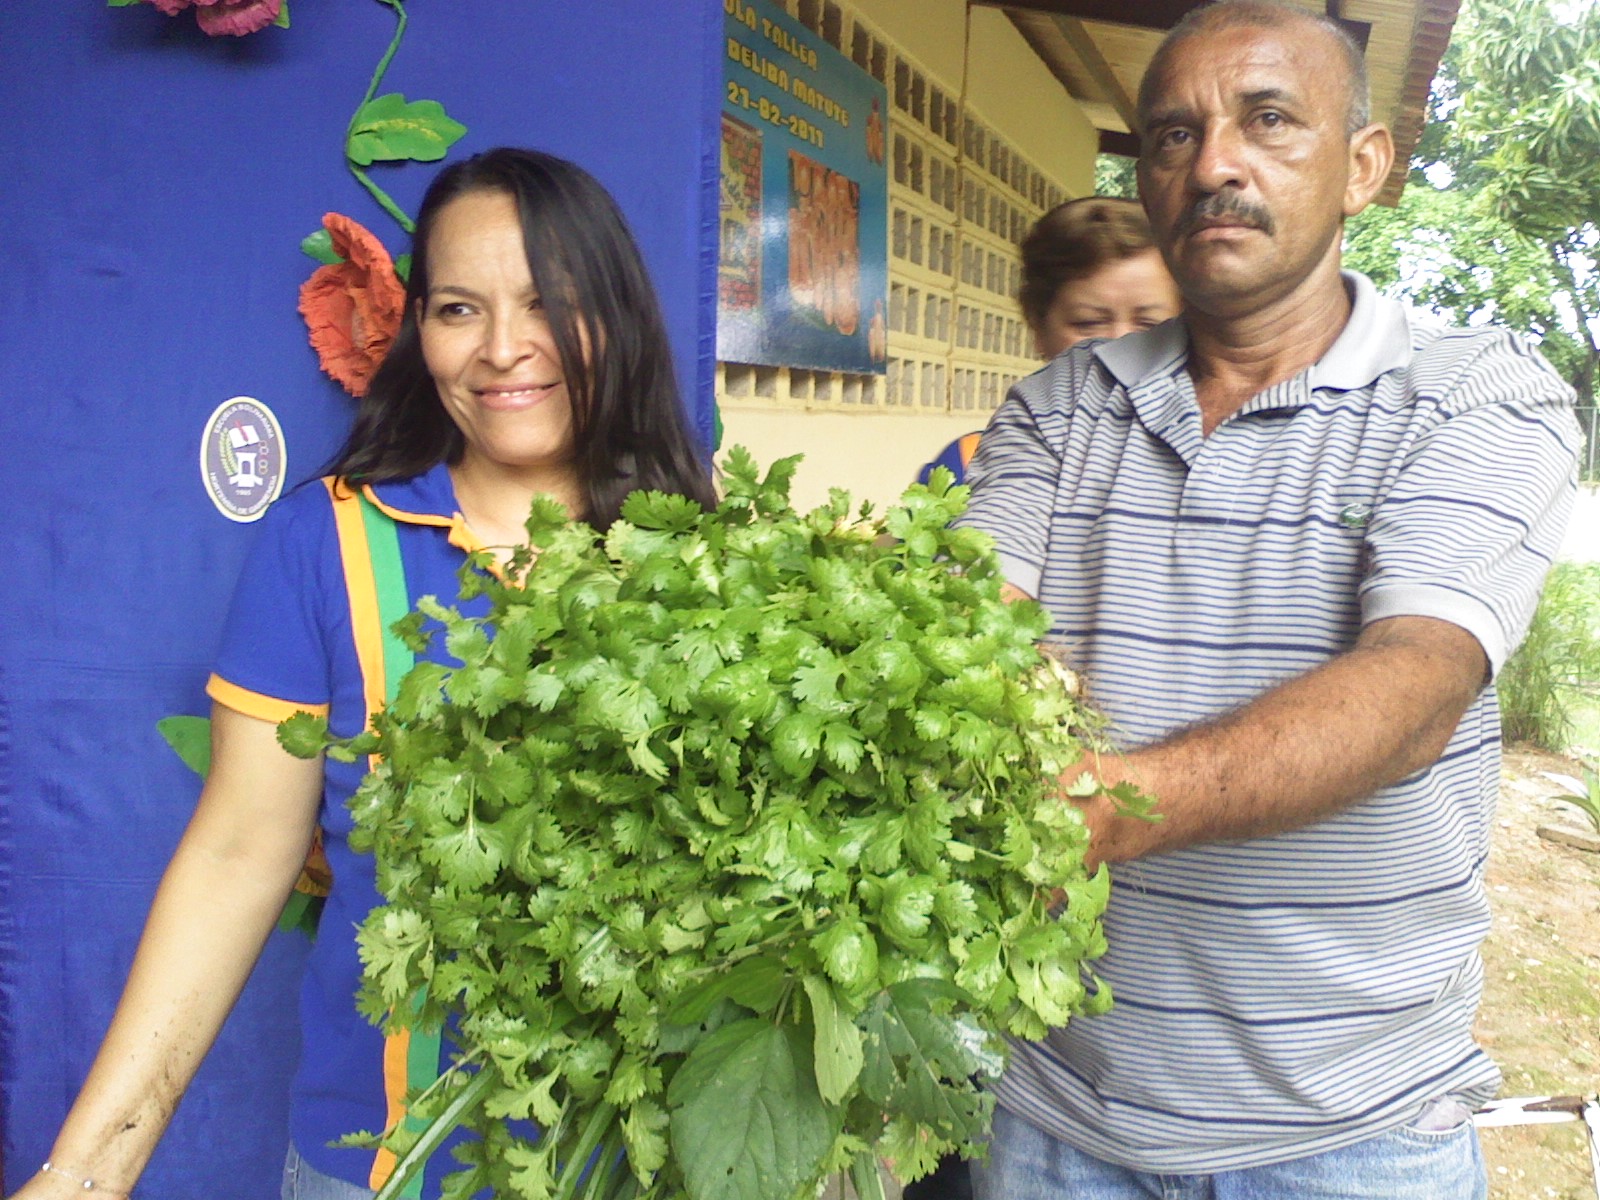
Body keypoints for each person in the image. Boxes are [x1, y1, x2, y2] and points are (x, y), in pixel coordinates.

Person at [958, 3, 1581, 1197]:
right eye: (1173, 136)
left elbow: (1411, 690)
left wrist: (1098, 802)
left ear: (1362, 167)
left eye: (1268, 120)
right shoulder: (1057, 407)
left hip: (1347, 1136)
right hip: (1056, 1116)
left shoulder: (1475, 397)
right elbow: (971, 630)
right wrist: (995, 689)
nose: (1215, 165)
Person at [13, 147, 716, 1200]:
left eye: (548, 302)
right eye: (457, 309)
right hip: (382, 1172)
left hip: (659, 1168)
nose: (505, 349)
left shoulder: (713, 562)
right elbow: (239, 857)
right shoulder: (325, 544)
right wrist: (86, 1175)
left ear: (617, 314)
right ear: (418, 332)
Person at [916, 197, 1178, 487]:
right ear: (1038, 326)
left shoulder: (1220, 471)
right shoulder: (968, 466)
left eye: (1149, 324)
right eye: (1088, 323)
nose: (1121, 344)